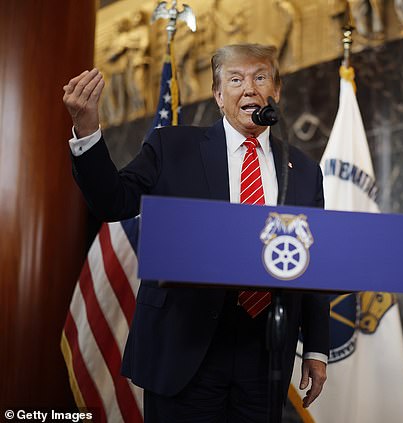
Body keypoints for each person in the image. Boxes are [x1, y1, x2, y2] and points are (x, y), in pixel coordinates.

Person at [63, 43, 330, 422]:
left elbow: (312, 261)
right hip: (184, 344)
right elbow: (114, 203)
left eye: (260, 77)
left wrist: (317, 348)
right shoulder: (172, 147)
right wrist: (87, 130)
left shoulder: (303, 170)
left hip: (264, 355)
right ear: (219, 95)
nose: (249, 88)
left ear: (277, 91)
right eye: (235, 79)